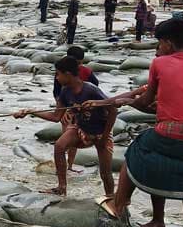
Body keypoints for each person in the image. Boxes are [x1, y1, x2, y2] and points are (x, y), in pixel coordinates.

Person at [85, 19, 183, 227]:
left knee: (134, 153)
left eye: (160, 43)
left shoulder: (160, 64)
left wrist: (128, 103)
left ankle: (118, 206)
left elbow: (145, 101)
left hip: (171, 132)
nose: (158, 48)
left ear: (168, 43)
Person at [16, 57, 117, 197]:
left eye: (58, 74)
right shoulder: (65, 92)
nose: (56, 78)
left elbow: (113, 110)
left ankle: (111, 197)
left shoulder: (91, 90)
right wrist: (31, 111)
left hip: (101, 132)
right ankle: (61, 187)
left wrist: (105, 136)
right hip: (81, 128)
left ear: (68, 74)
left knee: (105, 172)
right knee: (59, 146)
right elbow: (56, 116)